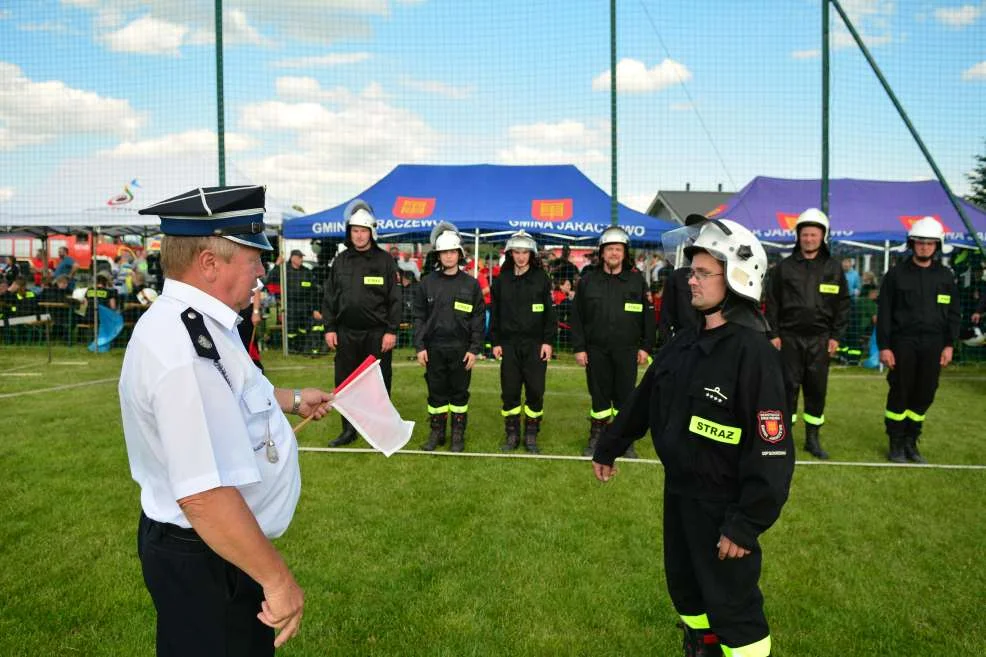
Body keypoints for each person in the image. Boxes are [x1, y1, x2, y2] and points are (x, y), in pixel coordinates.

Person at [123, 185, 333, 656]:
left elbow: (241, 393)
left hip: (216, 553)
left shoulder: (203, 325)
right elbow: (204, 495)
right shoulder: (185, 350)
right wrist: (278, 581)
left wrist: (295, 399)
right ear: (210, 263)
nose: (262, 271)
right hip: (208, 557)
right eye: (253, 256)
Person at [592, 217, 793, 657]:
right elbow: (645, 398)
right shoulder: (686, 341)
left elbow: (772, 450)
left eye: (703, 273)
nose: (690, 281)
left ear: (738, 278)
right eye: (691, 271)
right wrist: (610, 445)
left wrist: (744, 525)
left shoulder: (753, 354)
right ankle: (701, 647)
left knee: (734, 608)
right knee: (687, 592)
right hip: (680, 494)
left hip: (725, 506)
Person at [764, 208, 849, 460]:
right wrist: (774, 334)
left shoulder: (833, 268)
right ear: (798, 237)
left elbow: (843, 304)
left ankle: (813, 439)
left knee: (816, 389)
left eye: (813, 235)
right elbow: (772, 302)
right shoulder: (784, 268)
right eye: (805, 235)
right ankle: (784, 438)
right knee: (787, 388)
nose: (809, 239)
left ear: (823, 237)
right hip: (788, 339)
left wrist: (836, 336)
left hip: (821, 341)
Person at [877, 216, 960, 463]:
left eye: (929, 243)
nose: (924, 247)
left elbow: (954, 313)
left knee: (925, 392)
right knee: (900, 391)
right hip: (903, 343)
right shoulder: (895, 275)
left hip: (934, 344)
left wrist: (949, 344)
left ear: (937, 246)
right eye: (920, 242)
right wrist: (885, 347)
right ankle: (895, 443)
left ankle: (912, 441)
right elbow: (884, 313)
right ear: (911, 244)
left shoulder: (946, 276)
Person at [322, 199, 401, 447]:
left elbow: (395, 299)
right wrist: (330, 327)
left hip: (377, 336)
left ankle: (378, 430)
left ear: (371, 232)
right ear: (350, 232)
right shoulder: (341, 261)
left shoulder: (385, 261)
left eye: (363, 230)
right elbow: (329, 296)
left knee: (378, 384)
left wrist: (391, 331)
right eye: (354, 230)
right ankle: (348, 431)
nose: (358, 235)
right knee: (345, 384)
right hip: (346, 334)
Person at [571, 226, 654, 458]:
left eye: (618, 249)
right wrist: (579, 348)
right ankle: (596, 437)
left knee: (625, 398)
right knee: (599, 396)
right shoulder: (588, 281)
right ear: (602, 252)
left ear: (624, 253)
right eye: (609, 249)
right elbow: (576, 317)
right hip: (596, 351)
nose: (614, 253)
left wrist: (646, 347)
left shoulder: (637, 282)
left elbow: (648, 317)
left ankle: (624, 441)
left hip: (627, 351)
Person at [414, 230, 485, 452]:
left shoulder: (471, 285)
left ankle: (457, 435)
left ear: (460, 254)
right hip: (434, 348)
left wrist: (474, 349)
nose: (448, 257)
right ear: (438, 255)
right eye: (444, 252)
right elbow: (419, 317)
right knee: (436, 392)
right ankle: (436, 434)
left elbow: (478, 319)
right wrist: (420, 346)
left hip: (461, 350)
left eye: (452, 252)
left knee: (459, 393)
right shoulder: (427, 283)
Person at [489, 230, 556, 453]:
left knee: (535, 390)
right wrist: (495, 342)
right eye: (516, 252)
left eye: (525, 252)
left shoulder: (541, 279)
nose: (520, 257)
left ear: (532, 254)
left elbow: (549, 313)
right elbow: (495, 313)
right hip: (508, 345)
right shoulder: (501, 281)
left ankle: (531, 435)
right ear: (510, 254)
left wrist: (547, 341)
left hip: (536, 345)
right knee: (510, 391)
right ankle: (512, 434)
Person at [278, 249, 320, 354]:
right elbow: (271, 278)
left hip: (304, 305)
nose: (301, 259)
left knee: (303, 328)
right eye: (299, 257)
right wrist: (277, 265)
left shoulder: (306, 272)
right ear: (292, 258)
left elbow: (314, 290)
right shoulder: (284, 270)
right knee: (291, 328)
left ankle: (302, 347)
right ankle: (291, 348)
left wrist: (314, 307)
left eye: (302, 257)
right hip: (290, 305)